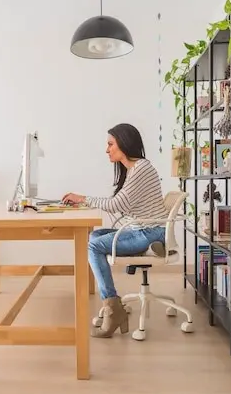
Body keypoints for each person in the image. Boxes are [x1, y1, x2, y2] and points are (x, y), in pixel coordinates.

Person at [62, 123, 168, 338]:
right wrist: (84, 202)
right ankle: (149, 249)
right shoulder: (135, 169)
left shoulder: (141, 169)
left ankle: (112, 309)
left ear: (124, 143)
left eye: (110, 144)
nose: (107, 149)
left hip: (149, 232)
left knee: (93, 246)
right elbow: (122, 204)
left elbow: (116, 204)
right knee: (96, 235)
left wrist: (82, 198)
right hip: (145, 230)